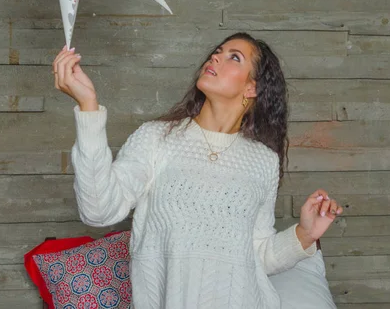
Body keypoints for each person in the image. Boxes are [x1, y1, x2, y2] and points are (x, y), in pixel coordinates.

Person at [53, 33, 342, 308]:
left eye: (234, 57)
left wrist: (305, 234)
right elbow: (98, 210)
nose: (216, 58)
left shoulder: (263, 161)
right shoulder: (156, 138)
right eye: (217, 52)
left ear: (252, 87)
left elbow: (256, 255)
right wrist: (88, 108)